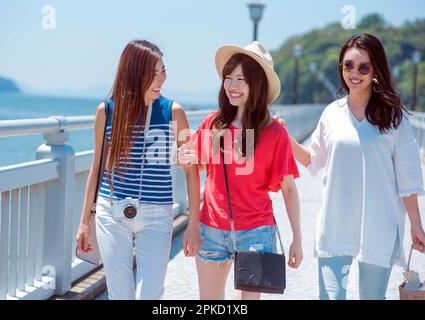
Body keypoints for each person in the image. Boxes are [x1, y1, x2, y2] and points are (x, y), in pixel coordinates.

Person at [288, 33, 425, 300]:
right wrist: (283, 135)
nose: (355, 72)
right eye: (348, 65)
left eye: (364, 66)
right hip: (335, 223)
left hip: (379, 226)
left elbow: (406, 179)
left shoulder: (394, 118)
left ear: (376, 71)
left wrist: (416, 225)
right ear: (341, 68)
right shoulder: (331, 113)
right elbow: (312, 160)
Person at [75, 40, 200, 300]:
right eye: (152, 74)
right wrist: (84, 221)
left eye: (162, 71)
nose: (160, 80)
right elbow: (97, 167)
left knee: (150, 295)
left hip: (158, 214)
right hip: (111, 213)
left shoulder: (172, 112)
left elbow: (191, 169)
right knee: (120, 295)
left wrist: (193, 224)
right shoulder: (107, 112)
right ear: (133, 74)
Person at [179, 41, 303, 300]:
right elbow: (199, 166)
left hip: (256, 232)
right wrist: (183, 160)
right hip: (211, 228)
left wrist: (297, 239)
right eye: (228, 78)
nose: (232, 86)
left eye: (241, 79)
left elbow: (289, 188)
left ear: (257, 85)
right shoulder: (213, 123)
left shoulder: (276, 133)